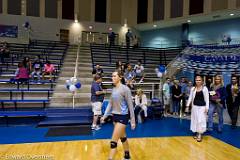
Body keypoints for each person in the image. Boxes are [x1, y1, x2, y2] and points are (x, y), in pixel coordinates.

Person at [101, 70, 136, 160]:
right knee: (123, 138)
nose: (112, 78)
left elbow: (130, 106)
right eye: (112, 76)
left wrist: (133, 120)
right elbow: (110, 104)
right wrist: (105, 115)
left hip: (123, 117)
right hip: (114, 116)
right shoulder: (113, 89)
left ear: (120, 77)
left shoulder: (125, 89)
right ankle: (127, 156)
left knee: (113, 142)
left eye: (114, 76)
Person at [186, 76, 209, 142]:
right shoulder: (193, 88)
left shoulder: (205, 89)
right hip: (195, 107)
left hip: (202, 107)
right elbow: (190, 97)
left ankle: (199, 134)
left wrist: (207, 108)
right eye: (196, 80)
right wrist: (187, 106)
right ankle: (197, 132)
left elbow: (207, 99)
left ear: (201, 81)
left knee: (200, 120)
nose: (198, 81)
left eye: (199, 80)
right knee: (195, 120)